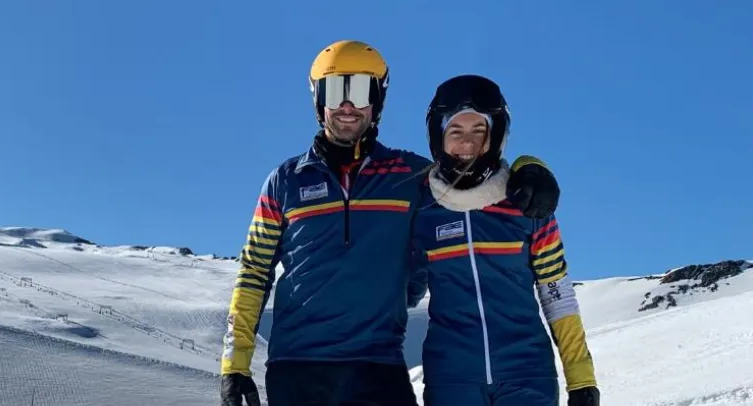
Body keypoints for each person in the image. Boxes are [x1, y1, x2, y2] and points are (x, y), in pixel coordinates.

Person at [220, 42, 563, 406]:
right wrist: (234, 364)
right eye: (335, 91)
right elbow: (254, 271)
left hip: (379, 367)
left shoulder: (410, 176)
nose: (347, 106)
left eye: (360, 91)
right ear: (318, 100)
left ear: (378, 100)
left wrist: (531, 167)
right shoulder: (285, 181)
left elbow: (473, 176)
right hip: (297, 369)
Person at [409, 74, 599, 406]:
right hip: (451, 380)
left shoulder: (527, 201)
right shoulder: (421, 208)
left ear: (496, 135)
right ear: (438, 137)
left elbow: (556, 290)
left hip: (527, 374)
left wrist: (581, 378)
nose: (467, 143)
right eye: (456, 132)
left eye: (478, 131)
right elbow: (399, 290)